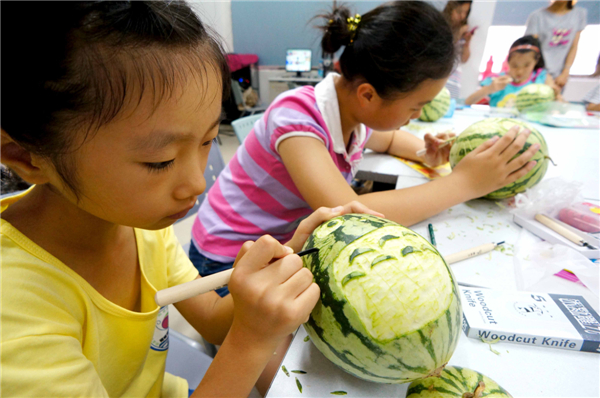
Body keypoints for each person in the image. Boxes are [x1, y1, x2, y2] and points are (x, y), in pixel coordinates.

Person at [0, 2, 381, 397]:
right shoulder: (15, 311)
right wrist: (250, 342)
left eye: (207, 140)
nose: (198, 184)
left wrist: (293, 255)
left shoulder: (138, 226)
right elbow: (233, 338)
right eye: (160, 161)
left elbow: (214, 321)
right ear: (25, 157)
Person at [190, 1, 540, 295]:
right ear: (369, 95)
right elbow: (351, 213)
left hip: (278, 241)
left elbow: (387, 138)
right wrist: (464, 183)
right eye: (415, 107)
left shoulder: (347, 111)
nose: (418, 116)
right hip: (226, 260)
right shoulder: (296, 120)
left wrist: (425, 152)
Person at [465, 35, 561, 107]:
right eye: (515, 66)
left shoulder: (542, 78)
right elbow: (467, 102)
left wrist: (556, 96)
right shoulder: (496, 80)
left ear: (536, 61)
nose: (520, 71)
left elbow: (560, 106)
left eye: (527, 65)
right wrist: (490, 89)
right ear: (508, 61)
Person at [525, 0, 587, 90]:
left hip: (560, 76)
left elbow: (574, 46)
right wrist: (544, 74)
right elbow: (531, 49)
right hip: (538, 73)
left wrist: (566, 72)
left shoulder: (579, 14)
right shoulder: (537, 16)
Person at [442, 1, 474, 99]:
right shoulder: (441, 26)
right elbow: (443, 49)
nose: (462, 16)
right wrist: (459, 33)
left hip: (454, 81)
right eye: (459, 12)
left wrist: (467, 43)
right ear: (450, 9)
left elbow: (464, 59)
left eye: (465, 12)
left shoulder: (463, 31)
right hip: (442, 76)